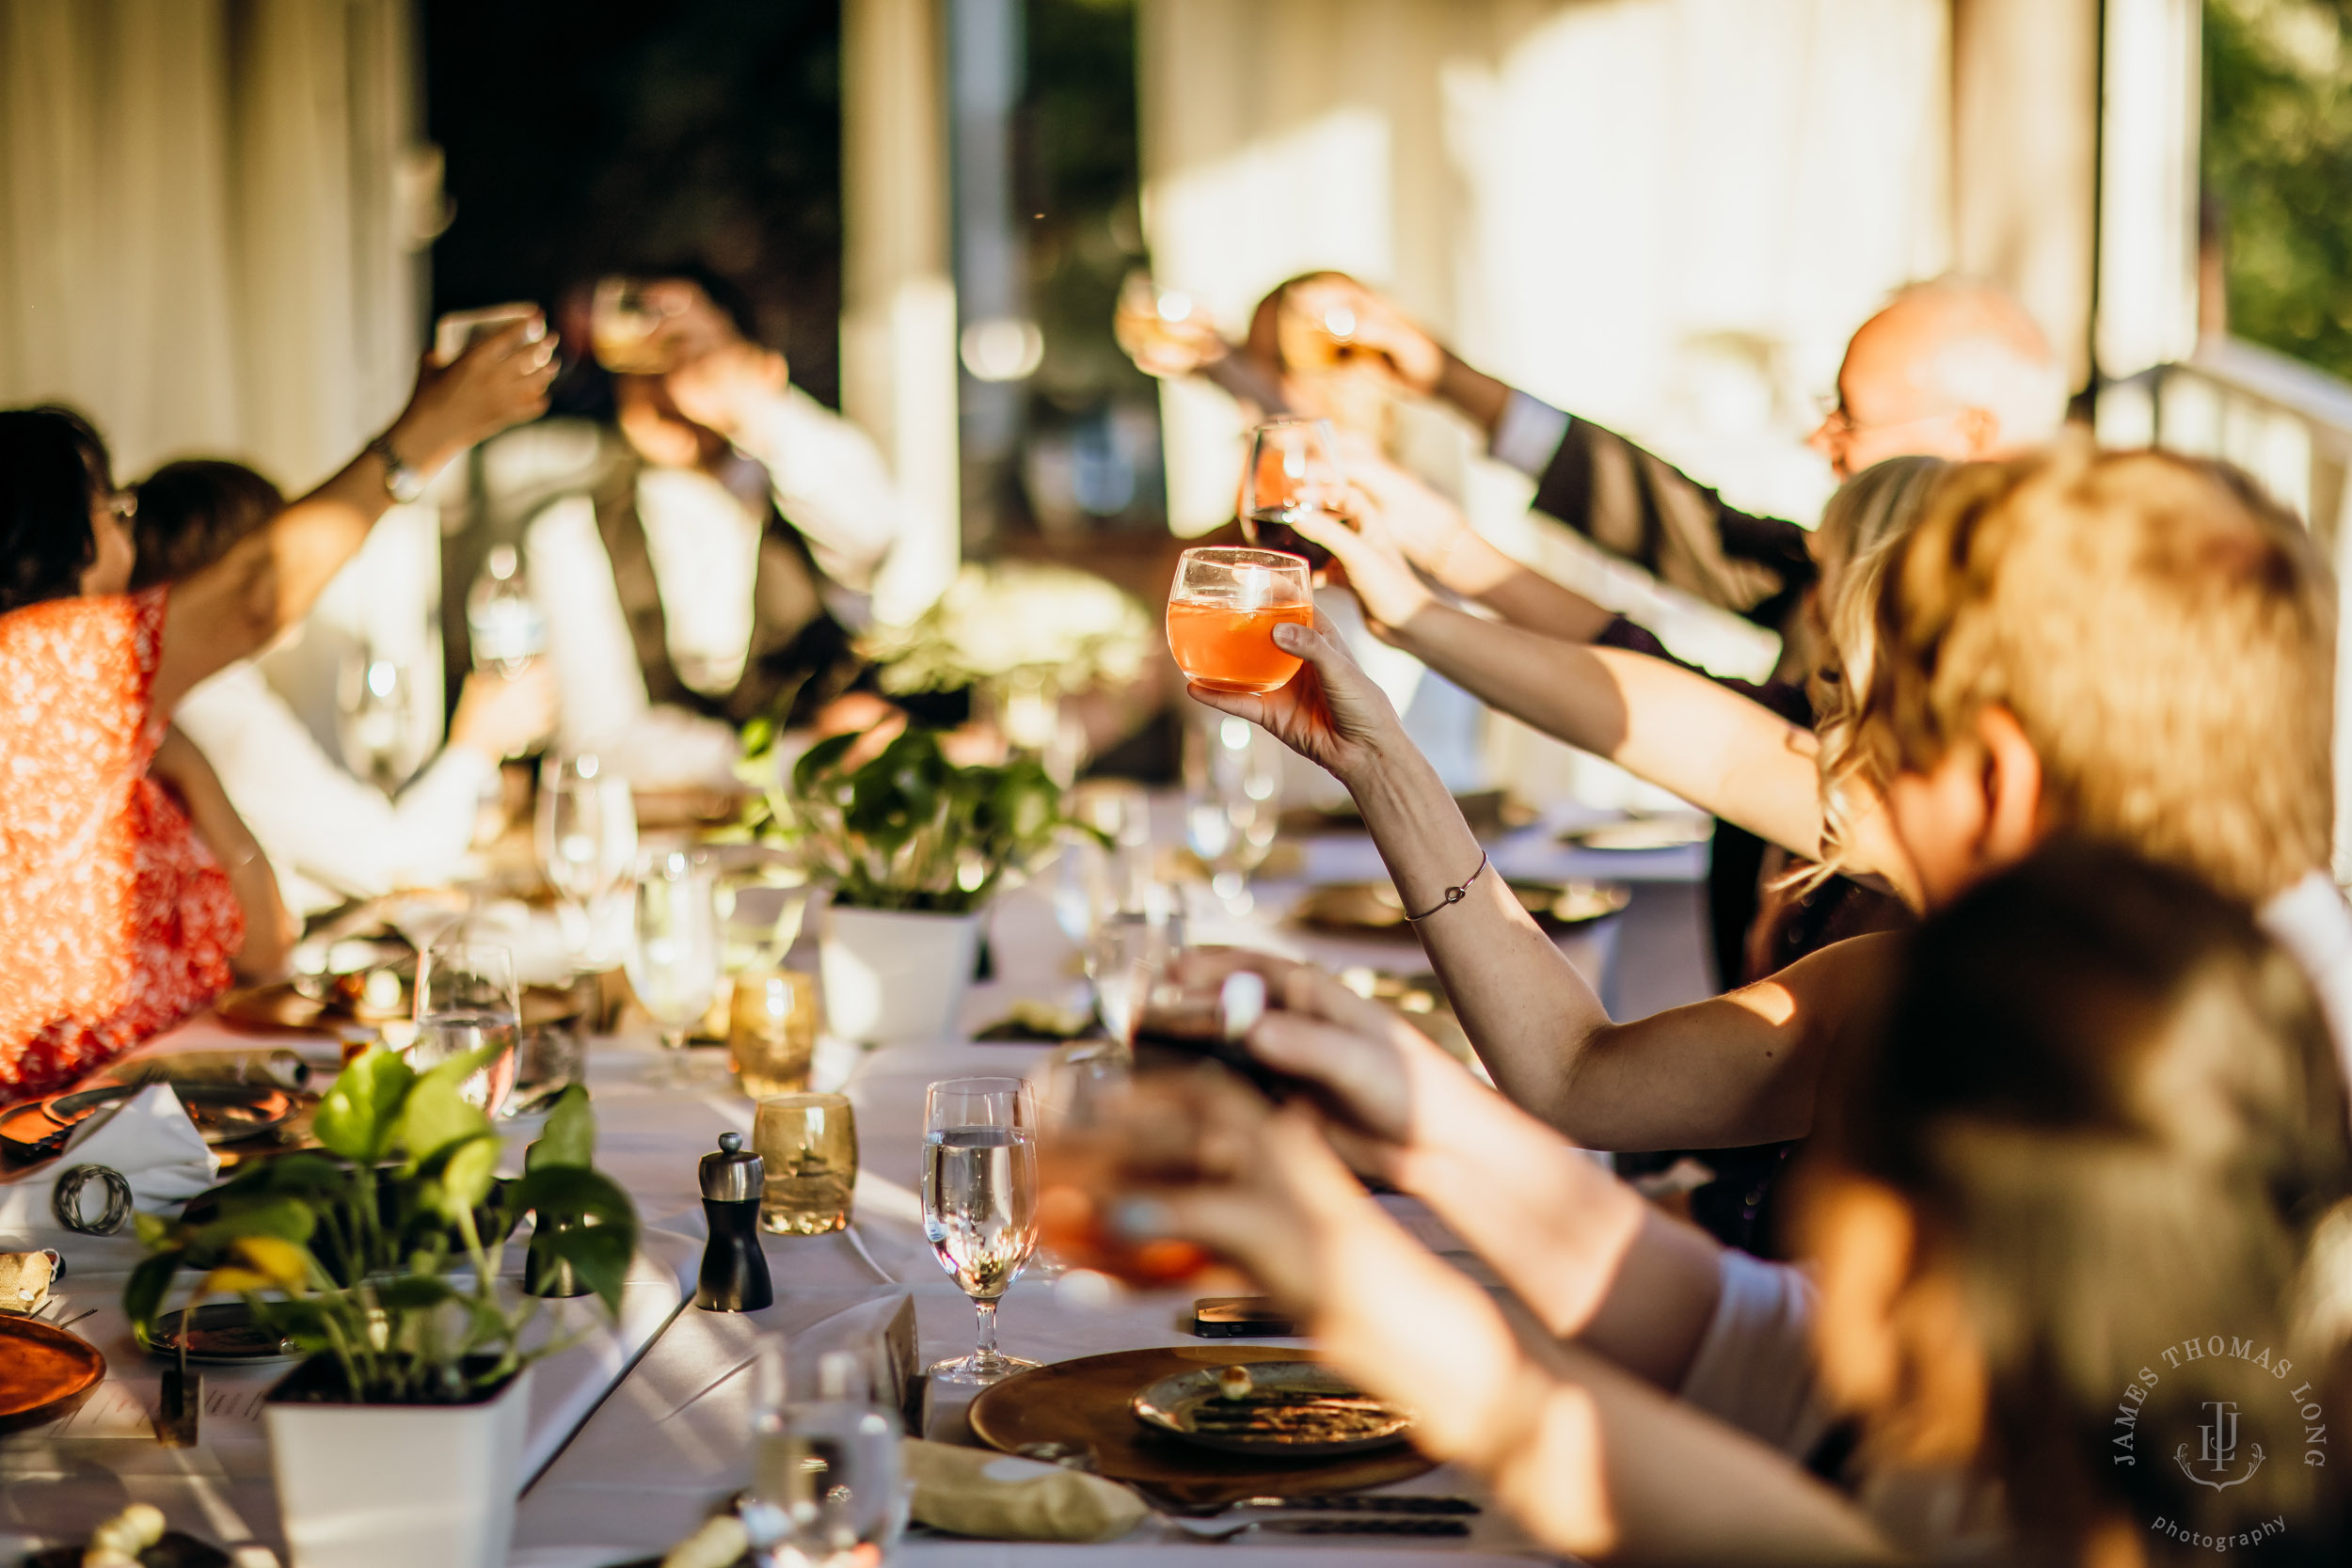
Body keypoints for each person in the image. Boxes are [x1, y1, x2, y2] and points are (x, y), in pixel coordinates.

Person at [1109, 842, 2352, 1562]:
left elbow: (1588, 1449)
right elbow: (1715, 1322)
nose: (1799, 1228)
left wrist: (1331, 1254)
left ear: (1942, 1227)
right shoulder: (2061, 1424)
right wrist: (1416, 1108)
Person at [1199, 441, 2347, 1162]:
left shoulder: (2274, 1051)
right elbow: (1573, 1077)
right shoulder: (1906, 982)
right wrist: (1381, 758)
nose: (1840, 767)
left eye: (1887, 714)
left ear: (2009, 762)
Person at [0, 324, 552, 1095]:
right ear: (63, 538)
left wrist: (188, 765)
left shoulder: (116, 724)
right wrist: (426, 436)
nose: (128, 529)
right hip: (59, 1149)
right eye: (112, 508)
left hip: (169, 1104)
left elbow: (267, 944)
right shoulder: (33, 674)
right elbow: (258, 592)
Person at [488, 272, 908, 785]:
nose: (669, 387)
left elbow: (878, 536)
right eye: (648, 364)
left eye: (690, 359)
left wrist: (748, 403)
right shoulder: (570, 534)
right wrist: (797, 759)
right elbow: (599, 741)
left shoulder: (811, 493)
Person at [130, 460, 557, 915]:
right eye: (280, 556)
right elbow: (387, 860)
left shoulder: (200, 690)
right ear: (236, 580)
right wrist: (477, 744)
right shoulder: (212, 704)